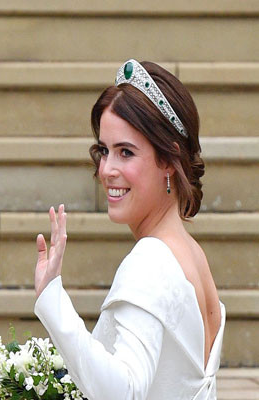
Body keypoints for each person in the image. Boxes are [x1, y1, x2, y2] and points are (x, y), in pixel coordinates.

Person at [33, 60, 224, 399]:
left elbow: (123, 391)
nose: (107, 169)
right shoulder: (191, 254)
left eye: (126, 152)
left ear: (168, 160)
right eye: (104, 151)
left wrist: (53, 301)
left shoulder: (151, 260)